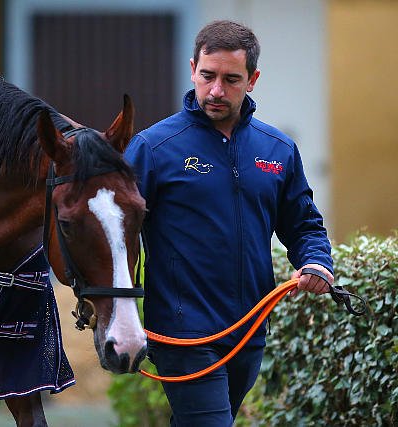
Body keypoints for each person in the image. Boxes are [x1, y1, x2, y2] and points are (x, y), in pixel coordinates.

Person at [124, 20, 333, 426]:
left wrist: (316, 261)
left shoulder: (278, 149)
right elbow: (115, 232)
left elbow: (304, 225)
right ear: (193, 70)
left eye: (231, 79)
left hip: (250, 331)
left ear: (252, 80)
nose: (216, 90)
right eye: (208, 76)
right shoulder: (153, 148)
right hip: (183, 333)